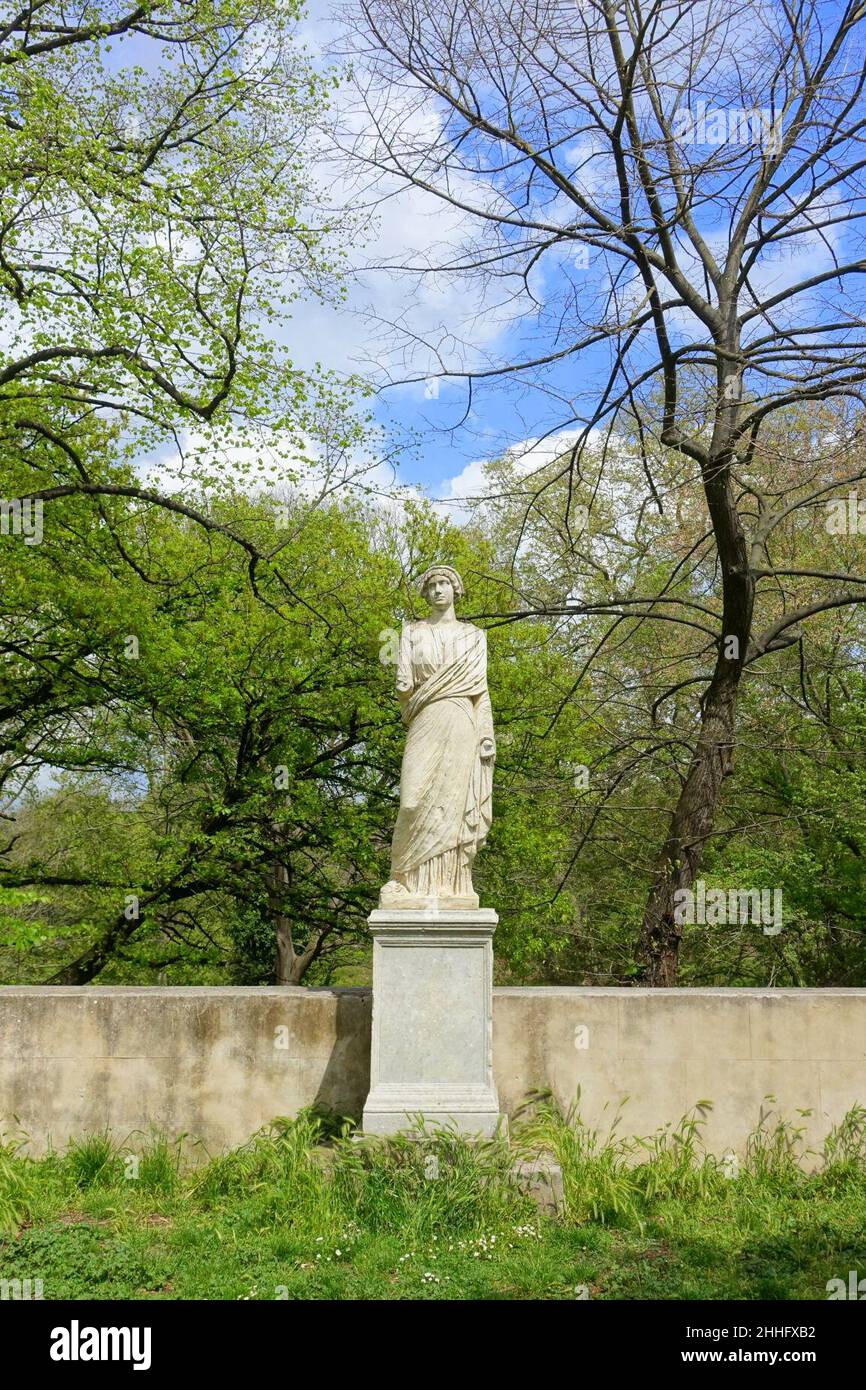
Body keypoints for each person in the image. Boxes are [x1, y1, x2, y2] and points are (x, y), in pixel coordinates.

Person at [380, 564, 495, 908]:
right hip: (425, 718)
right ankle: (403, 877)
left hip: (462, 721)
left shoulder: (474, 637)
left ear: (456, 590)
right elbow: (405, 685)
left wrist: (486, 733)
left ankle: (455, 882)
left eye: (445, 583)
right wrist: (404, 685)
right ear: (426, 593)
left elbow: (481, 692)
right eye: (432, 585)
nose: (438, 590)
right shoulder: (412, 633)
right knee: (411, 800)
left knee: (454, 804)